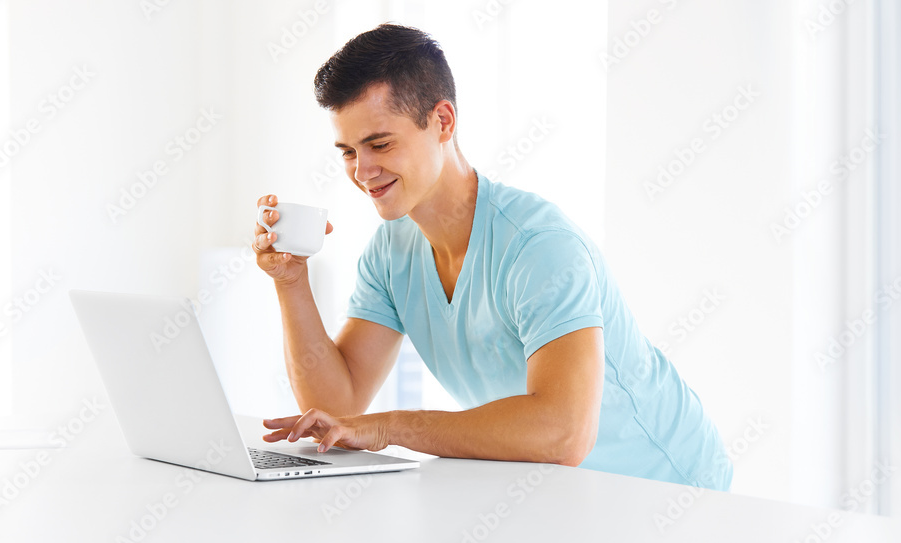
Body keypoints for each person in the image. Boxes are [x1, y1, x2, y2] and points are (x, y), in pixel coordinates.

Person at [253, 23, 732, 490]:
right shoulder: (391, 250)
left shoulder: (538, 246)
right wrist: (290, 282)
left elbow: (563, 433)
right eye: (347, 152)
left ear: (443, 122)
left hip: (672, 489)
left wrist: (390, 427)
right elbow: (337, 410)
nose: (362, 171)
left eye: (379, 144)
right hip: (568, 491)